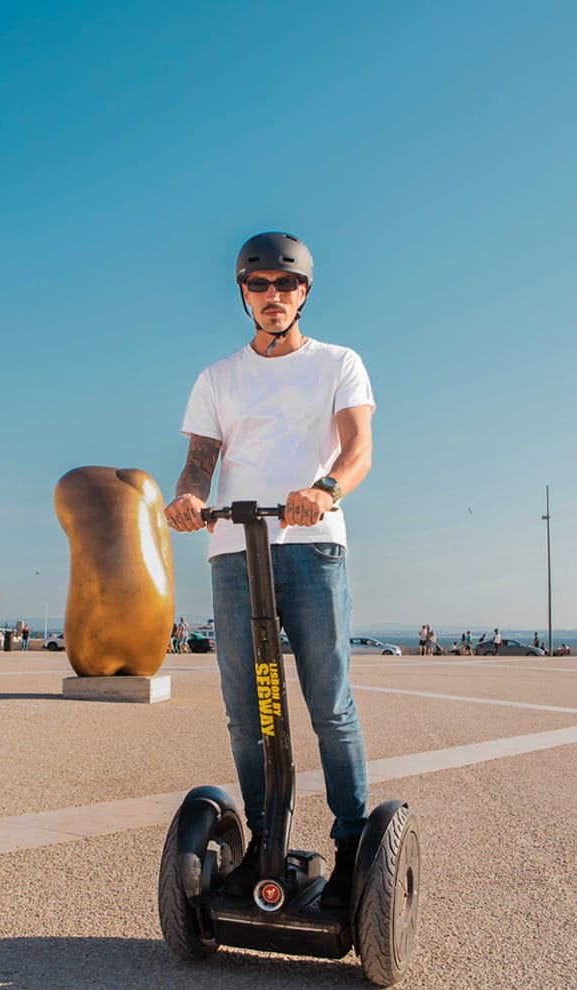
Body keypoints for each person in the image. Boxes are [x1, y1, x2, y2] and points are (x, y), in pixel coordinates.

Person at [164, 231, 374, 911]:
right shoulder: (218, 377)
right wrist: (192, 497)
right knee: (246, 712)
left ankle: (350, 847)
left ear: (304, 293)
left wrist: (327, 491)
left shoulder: (339, 363)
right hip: (233, 551)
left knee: (329, 705)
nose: (273, 295)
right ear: (243, 293)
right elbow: (201, 459)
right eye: (259, 284)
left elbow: (358, 447)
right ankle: (265, 840)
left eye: (286, 285)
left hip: (314, 548)